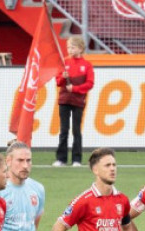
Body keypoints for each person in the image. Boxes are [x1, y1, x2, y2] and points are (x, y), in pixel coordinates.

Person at [54, 36, 93, 167]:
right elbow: (58, 81)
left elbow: (89, 83)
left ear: (80, 48)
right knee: (64, 130)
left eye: (73, 47)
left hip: (78, 101)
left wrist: (75, 88)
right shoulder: (64, 63)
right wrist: (63, 78)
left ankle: (77, 159)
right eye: (69, 47)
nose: (70, 50)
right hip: (64, 100)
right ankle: (61, 159)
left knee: (76, 130)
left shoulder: (86, 65)